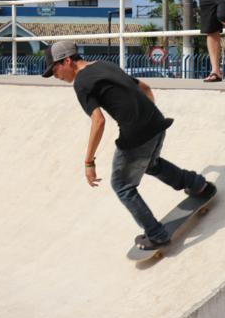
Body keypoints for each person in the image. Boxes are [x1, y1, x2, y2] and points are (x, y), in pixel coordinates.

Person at [42, 40, 216, 250]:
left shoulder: (81, 83)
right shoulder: (105, 64)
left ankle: (156, 234)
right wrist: (148, 115)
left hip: (136, 135)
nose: (56, 76)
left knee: (122, 186)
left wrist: (89, 161)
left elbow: (98, 121)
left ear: (67, 61)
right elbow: (144, 87)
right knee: (151, 164)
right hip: (157, 122)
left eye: (55, 70)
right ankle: (197, 185)